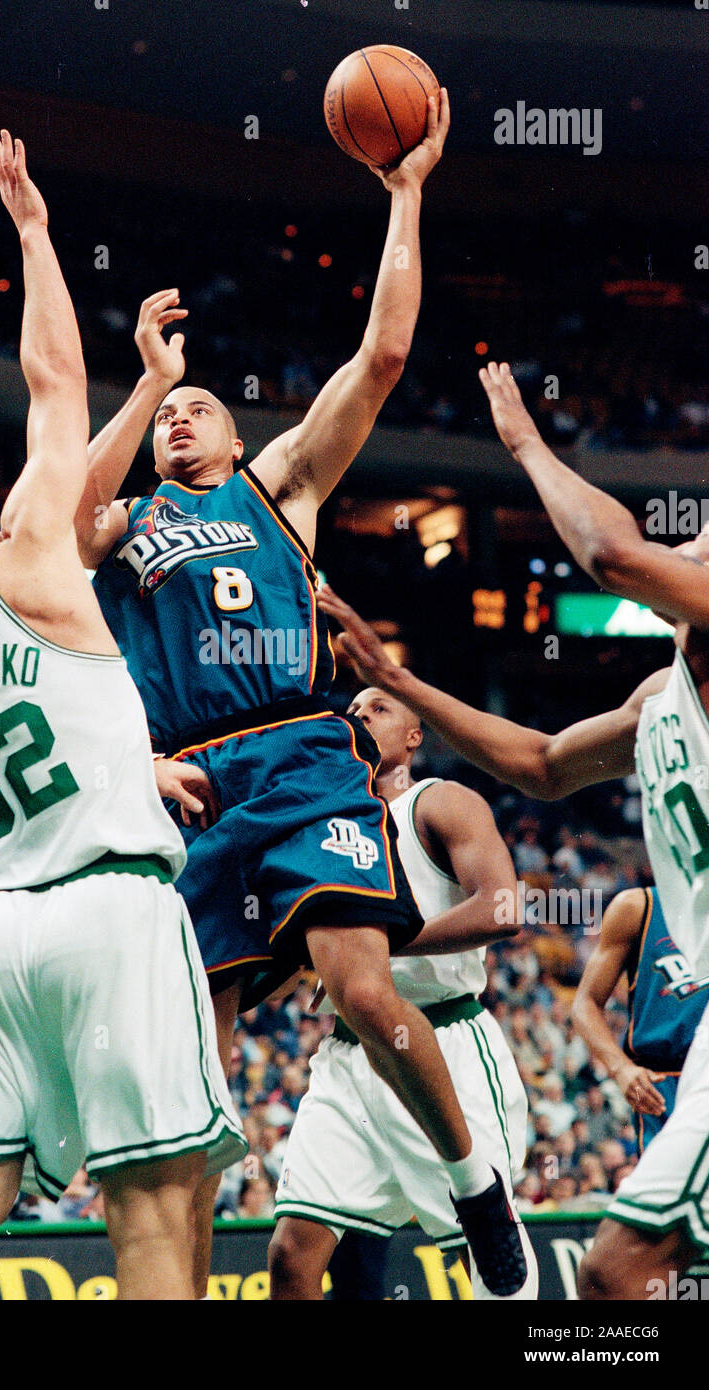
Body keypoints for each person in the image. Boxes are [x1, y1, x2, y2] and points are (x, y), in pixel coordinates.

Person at [76, 92, 526, 1298]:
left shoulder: (279, 489)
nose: (178, 420)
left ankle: (477, 1187)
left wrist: (405, 195)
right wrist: (141, 380)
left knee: (359, 983)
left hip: (301, 753)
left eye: (196, 407)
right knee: (200, 1050)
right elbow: (60, 527)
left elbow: (380, 357)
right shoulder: (124, 522)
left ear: (234, 434)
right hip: (192, 781)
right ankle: (173, 1260)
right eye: (167, 415)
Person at [0, 131, 244, 1301]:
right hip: (109, 915)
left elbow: (48, 706)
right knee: (152, 1211)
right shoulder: (22, 561)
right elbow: (49, 390)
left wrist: (135, 761)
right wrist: (33, 232)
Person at [317, 360, 709, 1298]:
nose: (687, 545)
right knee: (615, 1278)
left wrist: (529, 444)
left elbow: (612, 555)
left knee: (612, 1275)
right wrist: (404, 684)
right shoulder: (660, 697)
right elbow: (537, 764)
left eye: (698, 540)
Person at [269, 688, 537, 1299]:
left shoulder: (439, 802)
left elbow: (504, 906)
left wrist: (382, 950)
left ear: (416, 737)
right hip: (348, 1054)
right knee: (291, 1256)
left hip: (444, 1041)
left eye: (379, 709)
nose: (360, 717)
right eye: (354, 711)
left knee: (487, 1250)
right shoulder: (324, 820)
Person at [572, 886, 708, 1153]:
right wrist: (621, 1068)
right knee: (666, 1192)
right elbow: (584, 1003)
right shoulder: (637, 907)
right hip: (665, 1084)